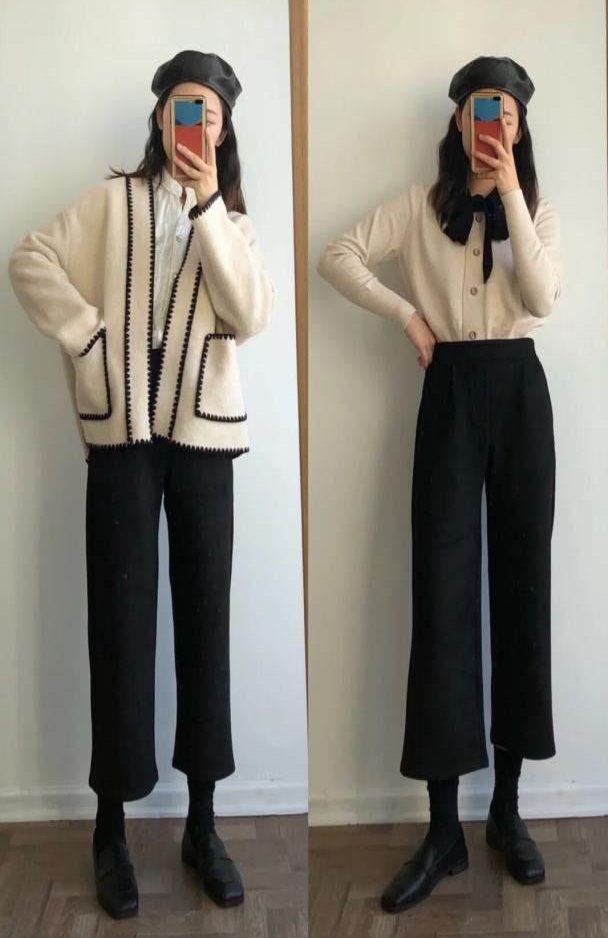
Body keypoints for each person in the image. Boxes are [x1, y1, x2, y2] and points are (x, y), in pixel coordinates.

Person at [8, 49, 277, 920]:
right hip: (122, 441)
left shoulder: (234, 223)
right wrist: (88, 339)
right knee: (119, 626)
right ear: (160, 117)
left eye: (209, 113)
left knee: (206, 624)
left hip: (205, 443)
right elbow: (30, 259)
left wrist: (207, 206)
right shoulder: (110, 201)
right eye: (181, 107)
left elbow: (251, 314)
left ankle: (203, 823)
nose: (193, 123)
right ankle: (110, 829)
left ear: (223, 132)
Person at [317, 55, 560, 914]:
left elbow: (543, 297)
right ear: (459, 121)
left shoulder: (538, 210)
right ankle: (444, 828)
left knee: (523, 591)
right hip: (450, 390)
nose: (493, 123)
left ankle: (508, 811)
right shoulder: (420, 207)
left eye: (506, 113)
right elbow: (338, 255)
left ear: (519, 128)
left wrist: (513, 196)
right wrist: (406, 315)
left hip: (520, 391)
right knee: (443, 597)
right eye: (480, 110)